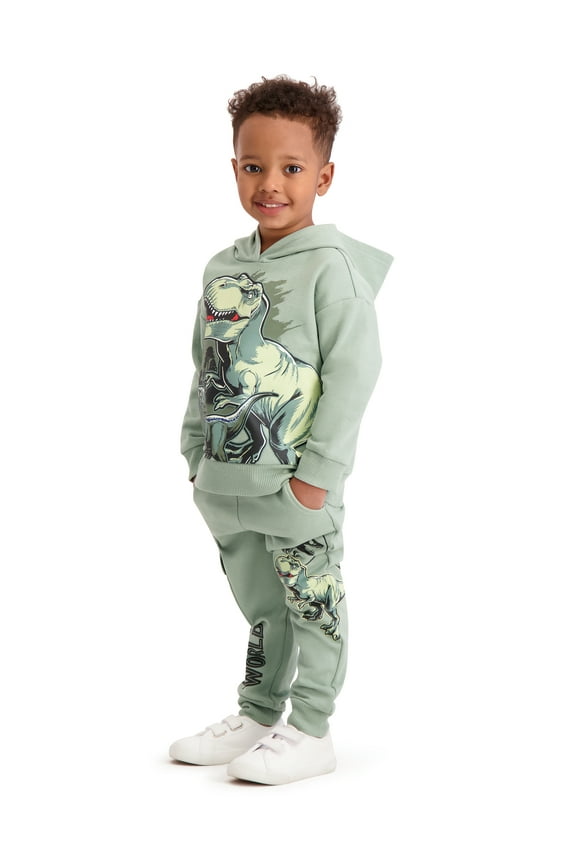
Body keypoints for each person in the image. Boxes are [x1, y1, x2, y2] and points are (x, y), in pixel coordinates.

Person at [170, 76, 393, 784]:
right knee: (262, 607)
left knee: (312, 600)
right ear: (234, 168)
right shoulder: (223, 268)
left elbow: (354, 375)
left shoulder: (333, 269)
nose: (271, 183)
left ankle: (312, 729)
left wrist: (317, 475)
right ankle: (260, 711)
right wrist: (194, 452)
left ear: (323, 177)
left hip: (297, 487)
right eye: (253, 165)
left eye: (292, 167)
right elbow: (205, 364)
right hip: (226, 483)